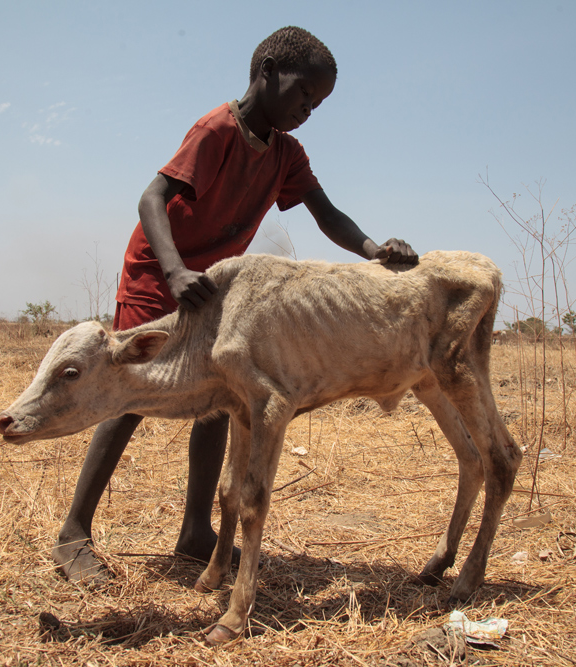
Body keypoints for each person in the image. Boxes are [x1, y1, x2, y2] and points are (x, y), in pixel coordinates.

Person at [53, 26, 418, 582]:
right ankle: (74, 533)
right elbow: (152, 197)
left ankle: (198, 532)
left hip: (217, 286)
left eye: (317, 105)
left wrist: (373, 249)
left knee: (222, 394)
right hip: (162, 273)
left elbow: (326, 213)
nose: (307, 110)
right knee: (128, 397)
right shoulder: (217, 130)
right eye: (303, 94)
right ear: (267, 69)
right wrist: (174, 271)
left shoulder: (286, 155)